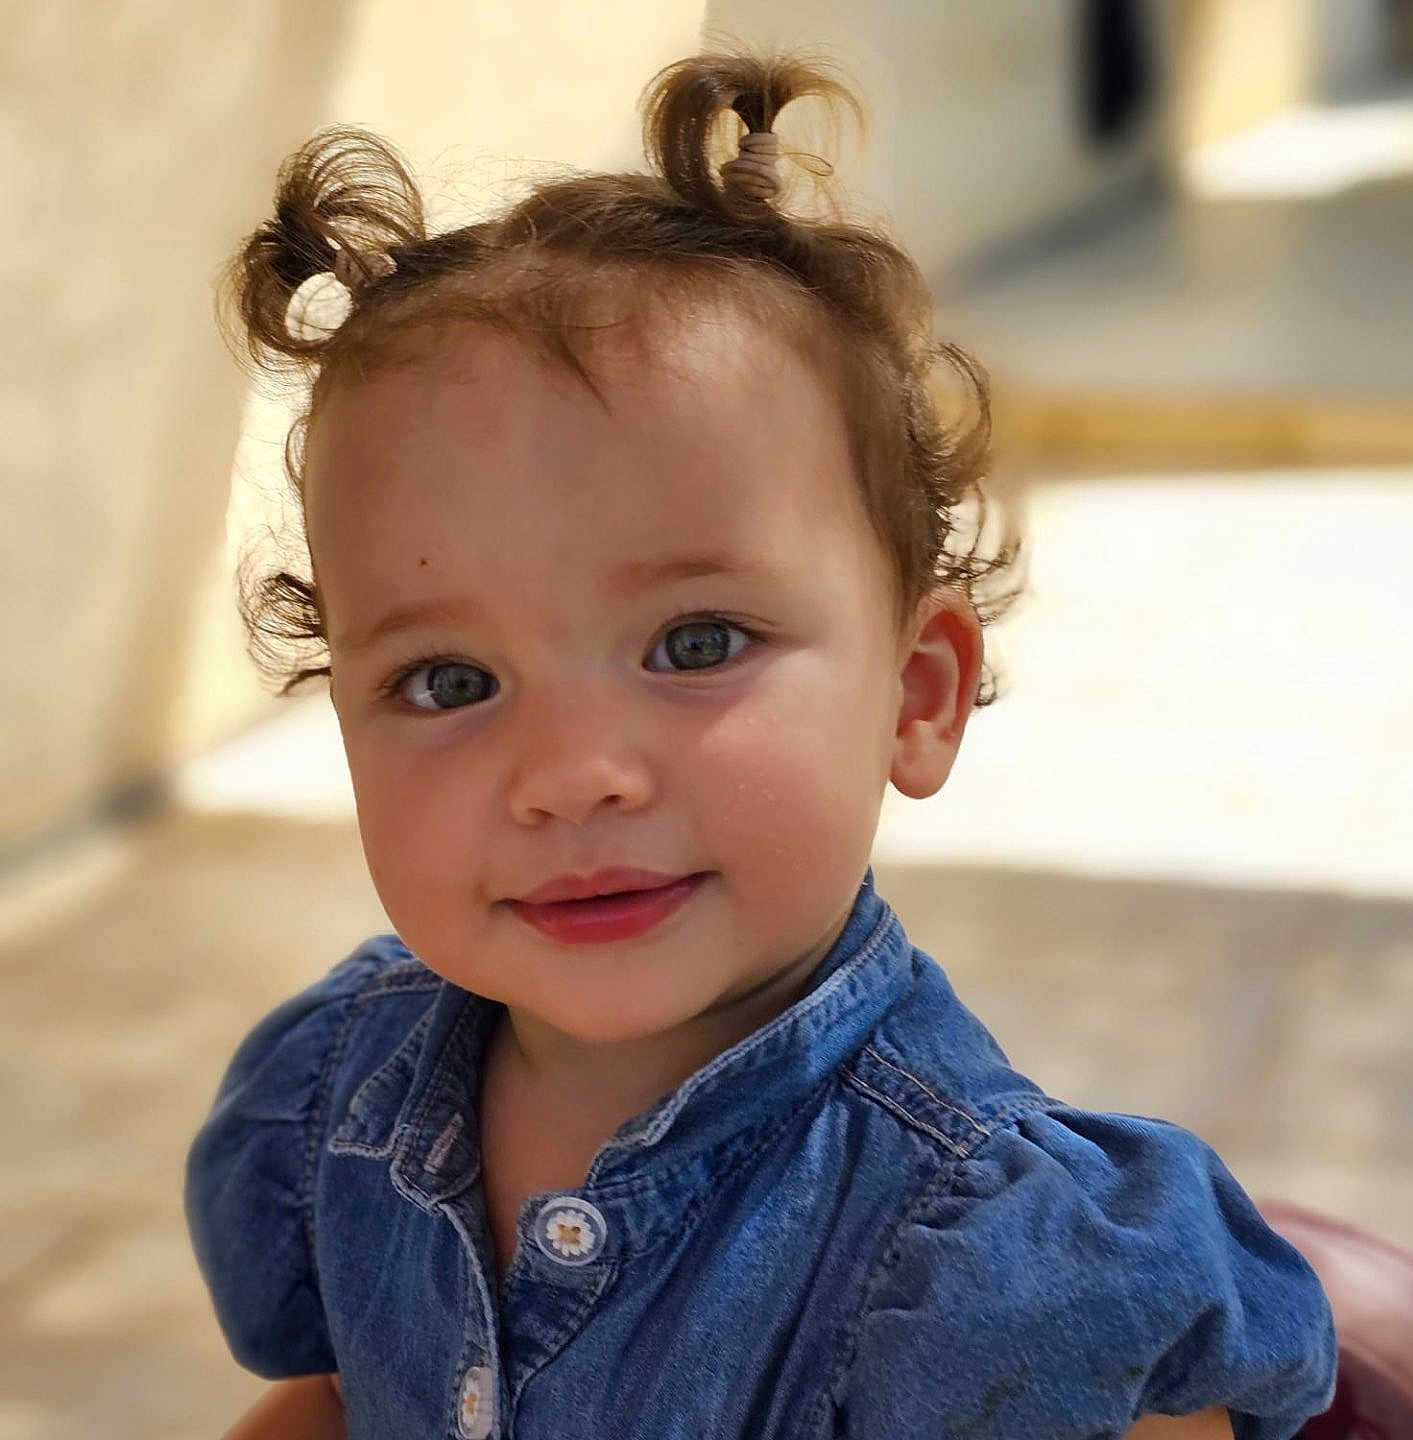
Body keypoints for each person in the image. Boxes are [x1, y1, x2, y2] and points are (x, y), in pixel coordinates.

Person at [185, 51, 1336, 1440]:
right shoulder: (334, 1101)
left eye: (695, 645)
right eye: (447, 678)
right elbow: (333, 1405)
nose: (567, 775)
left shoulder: (986, 1262)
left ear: (915, 697)